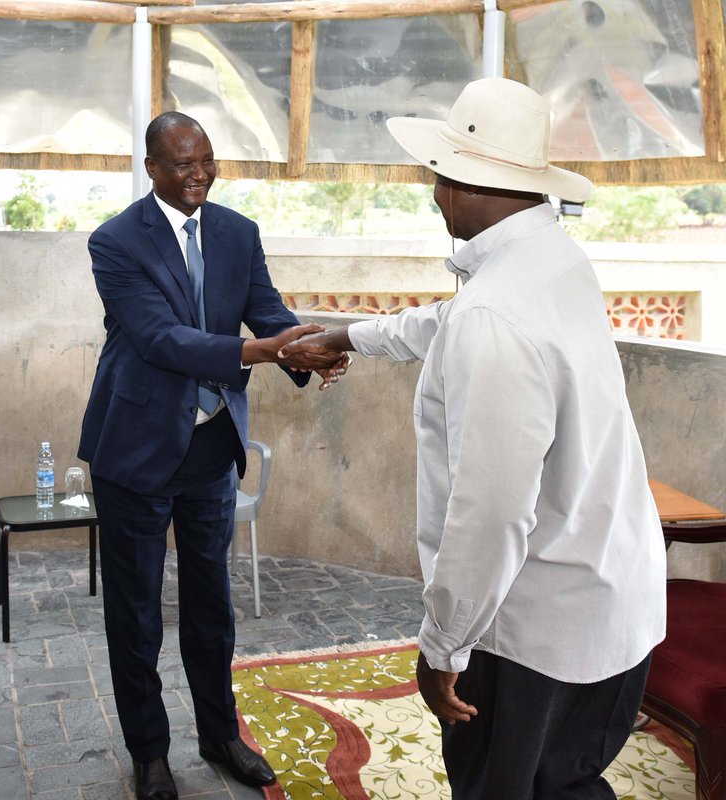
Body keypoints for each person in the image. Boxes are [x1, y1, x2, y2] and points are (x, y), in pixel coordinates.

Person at [279, 77, 666, 798]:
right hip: (614, 600)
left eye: (435, 175)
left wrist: (443, 647)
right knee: (570, 782)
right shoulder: (552, 260)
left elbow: (490, 514)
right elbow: (447, 321)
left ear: (460, 184)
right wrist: (347, 336)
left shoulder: (494, 313)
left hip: (533, 631)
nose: (433, 193)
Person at [78, 111, 347, 800]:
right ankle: (149, 754)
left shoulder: (237, 231)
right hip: (135, 449)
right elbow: (160, 339)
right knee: (136, 615)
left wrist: (307, 350)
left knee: (211, 607)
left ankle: (220, 735)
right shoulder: (115, 241)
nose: (198, 174)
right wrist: (263, 352)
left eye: (206, 160)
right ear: (152, 169)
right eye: (181, 163)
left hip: (211, 445)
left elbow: (267, 310)